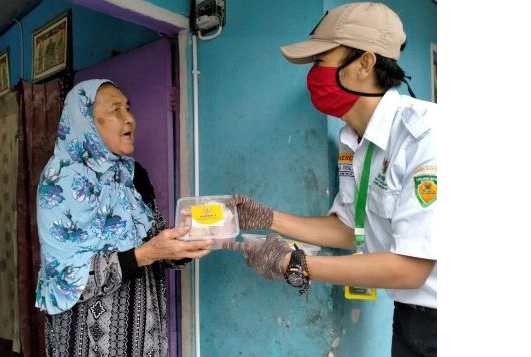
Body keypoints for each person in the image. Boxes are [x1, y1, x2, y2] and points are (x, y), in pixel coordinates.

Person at [225, 3, 437, 356]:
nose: (312, 74)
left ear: (365, 63)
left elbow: (411, 267)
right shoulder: (353, 138)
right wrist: (268, 218)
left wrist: (295, 265)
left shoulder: (426, 136)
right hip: (408, 321)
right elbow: (349, 227)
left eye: (321, 61)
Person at [35, 79, 213, 357]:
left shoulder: (134, 174)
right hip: (85, 335)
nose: (129, 118)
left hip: (143, 325)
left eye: (128, 107)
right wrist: (146, 253)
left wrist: (183, 242)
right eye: (115, 109)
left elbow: (155, 243)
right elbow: (66, 282)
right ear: (86, 120)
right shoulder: (60, 182)